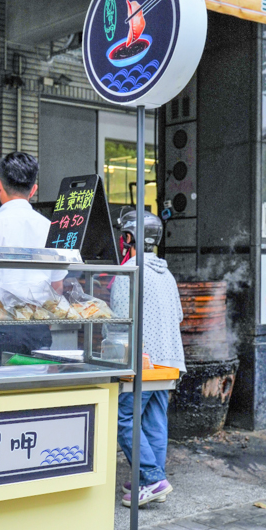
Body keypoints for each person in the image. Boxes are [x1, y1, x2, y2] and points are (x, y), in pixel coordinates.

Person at [0, 152, 63, 368]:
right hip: (37, 328)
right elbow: (57, 288)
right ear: (33, 189)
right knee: (34, 396)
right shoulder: (50, 229)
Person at [111, 210, 185, 506]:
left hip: (142, 363)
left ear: (128, 238)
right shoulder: (165, 272)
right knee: (154, 420)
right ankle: (150, 479)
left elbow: (117, 322)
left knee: (125, 418)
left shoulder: (129, 271)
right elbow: (178, 316)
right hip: (168, 363)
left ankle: (153, 477)